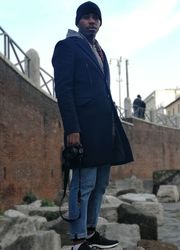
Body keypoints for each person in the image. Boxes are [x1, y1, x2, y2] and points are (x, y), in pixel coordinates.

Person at [52, 2, 134, 250]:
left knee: (100, 184)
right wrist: (72, 129)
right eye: (87, 17)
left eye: (96, 18)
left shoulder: (100, 51)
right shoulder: (67, 47)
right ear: (78, 21)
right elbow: (64, 91)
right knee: (83, 183)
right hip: (84, 129)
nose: (92, 22)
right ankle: (77, 240)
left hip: (104, 129)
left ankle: (90, 232)